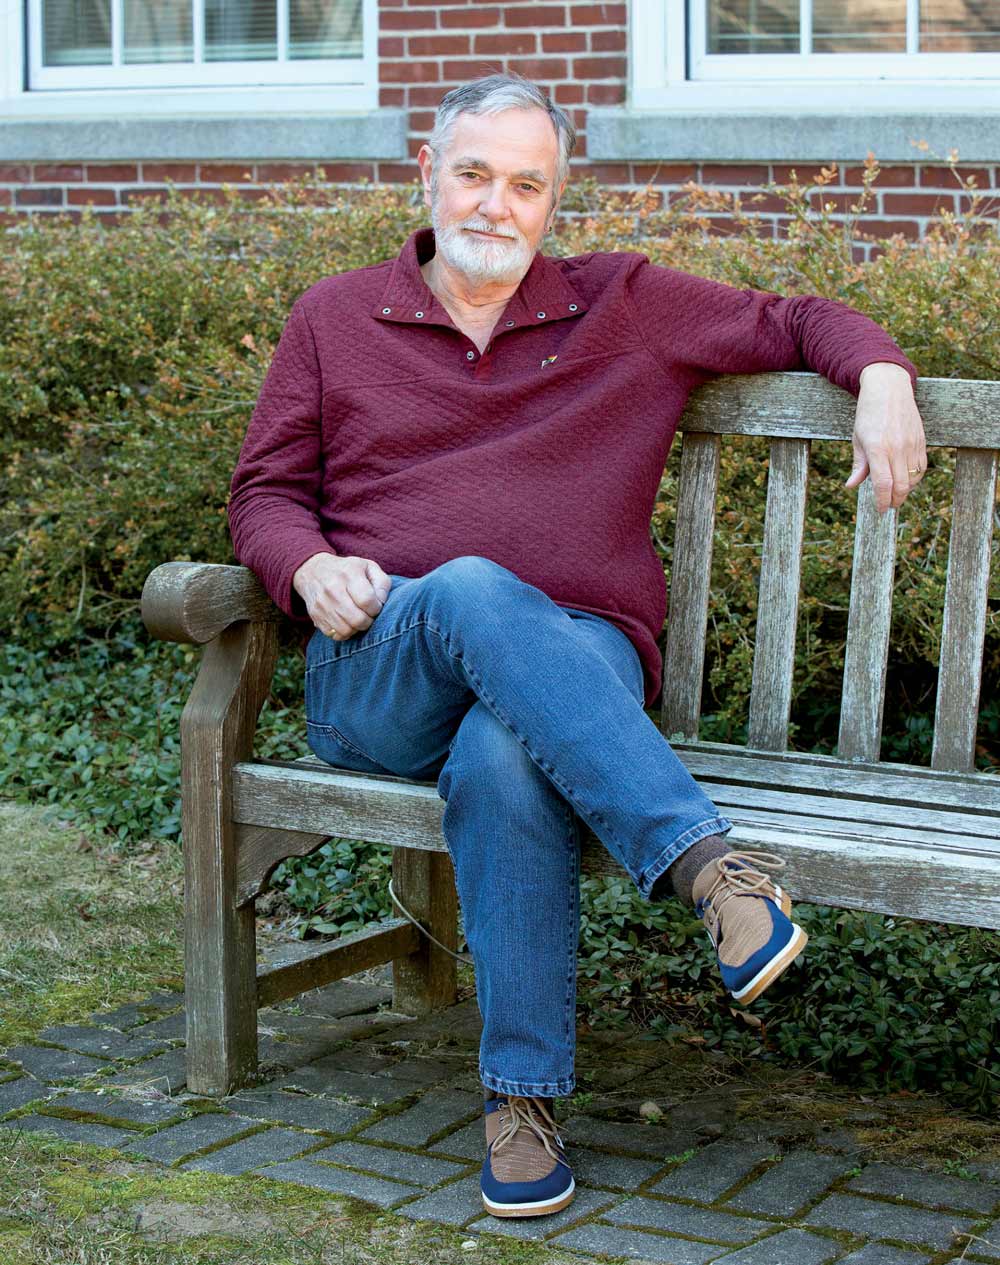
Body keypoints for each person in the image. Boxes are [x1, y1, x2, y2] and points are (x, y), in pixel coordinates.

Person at [228, 72, 926, 1220]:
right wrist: (303, 563)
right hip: (385, 660)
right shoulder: (333, 316)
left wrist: (884, 375)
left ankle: (519, 1102)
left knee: (507, 758)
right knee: (466, 588)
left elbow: (801, 319)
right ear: (427, 173)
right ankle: (709, 868)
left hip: (578, 655)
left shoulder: (626, 303)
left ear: (553, 200)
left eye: (524, 183)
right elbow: (262, 492)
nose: (494, 204)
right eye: (473, 174)